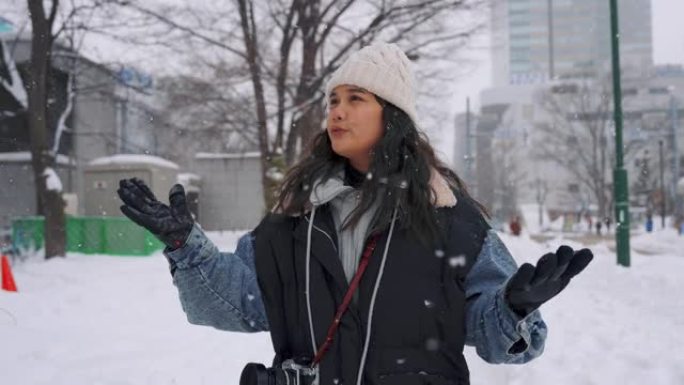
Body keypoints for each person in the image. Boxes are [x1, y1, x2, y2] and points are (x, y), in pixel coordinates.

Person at [117, 43, 593, 385]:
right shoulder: (295, 216)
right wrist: (187, 247)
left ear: (393, 116)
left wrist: (514, 308)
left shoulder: (450, 217)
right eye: (333, 100)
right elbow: (240, 303)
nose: (337, 113)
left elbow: (495, 338)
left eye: (355, 99)